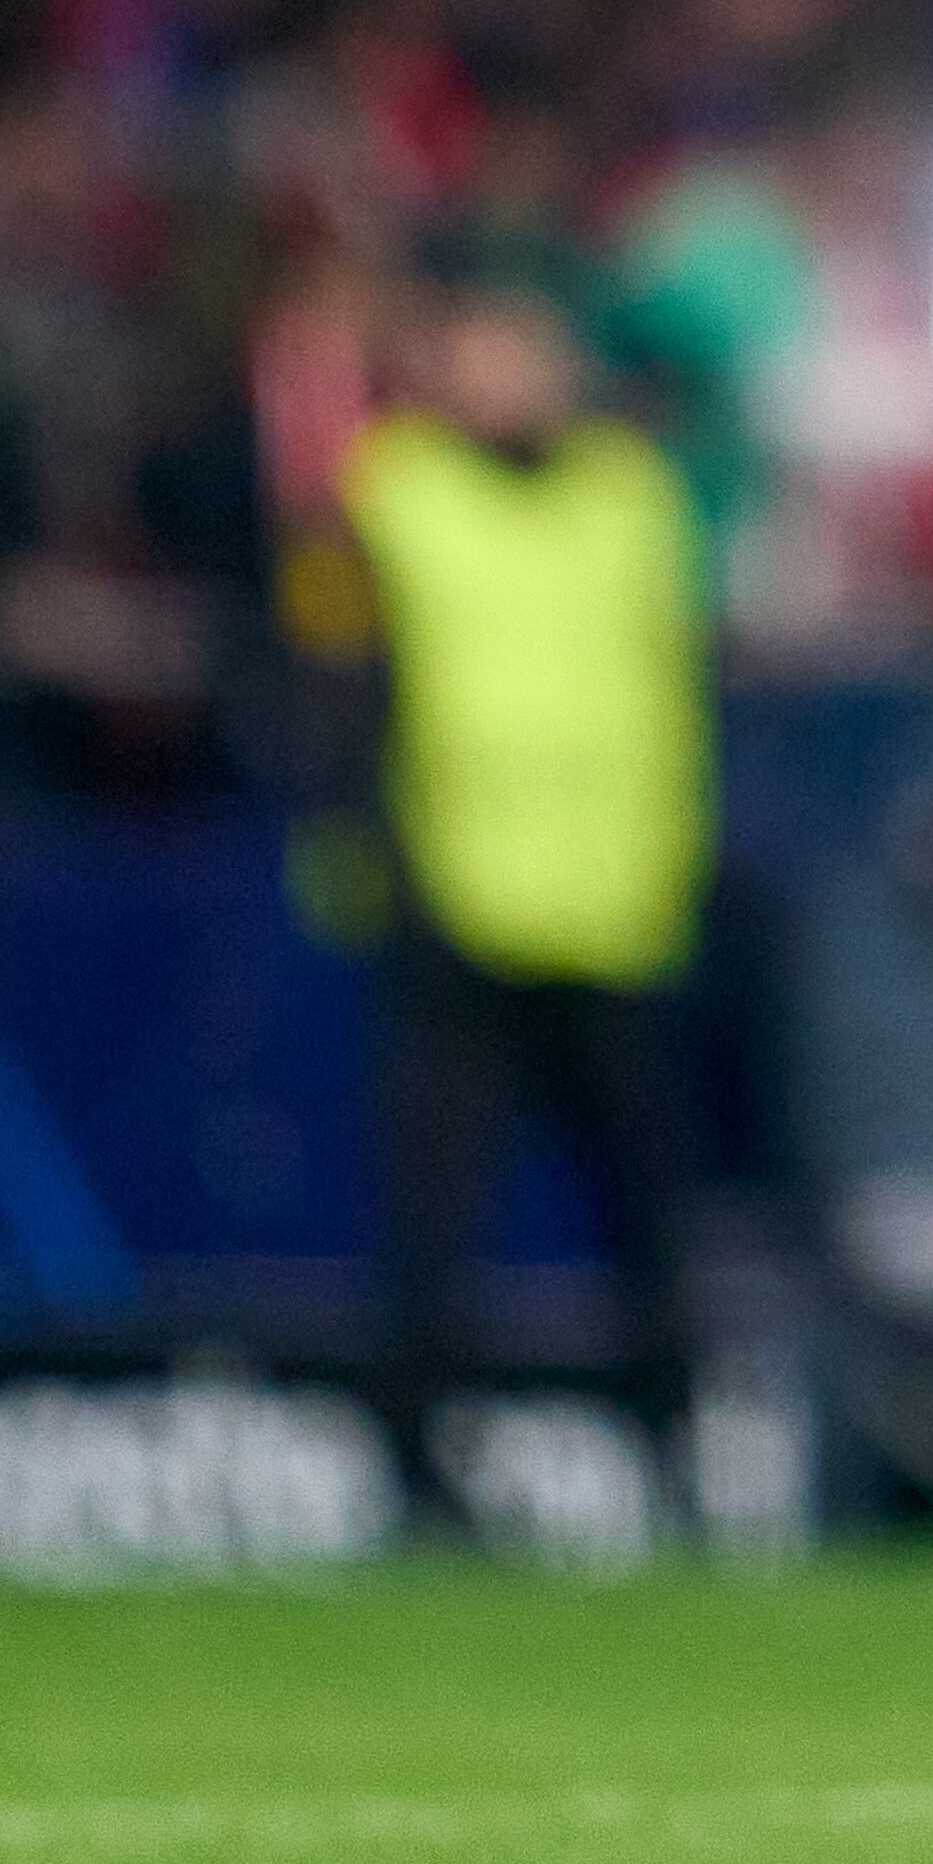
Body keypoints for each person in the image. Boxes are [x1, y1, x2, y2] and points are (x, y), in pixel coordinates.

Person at [338, 276, 716, 1516]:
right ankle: (414, 1473)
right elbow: (344, 694)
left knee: (650, 1217)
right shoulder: (398, 492)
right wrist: (378, 870)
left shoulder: (633, 495)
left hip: (615, 908)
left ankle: (682, 1460)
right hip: (464, 905)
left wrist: (673, 864)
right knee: (435, 1219)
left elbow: (678, 685)